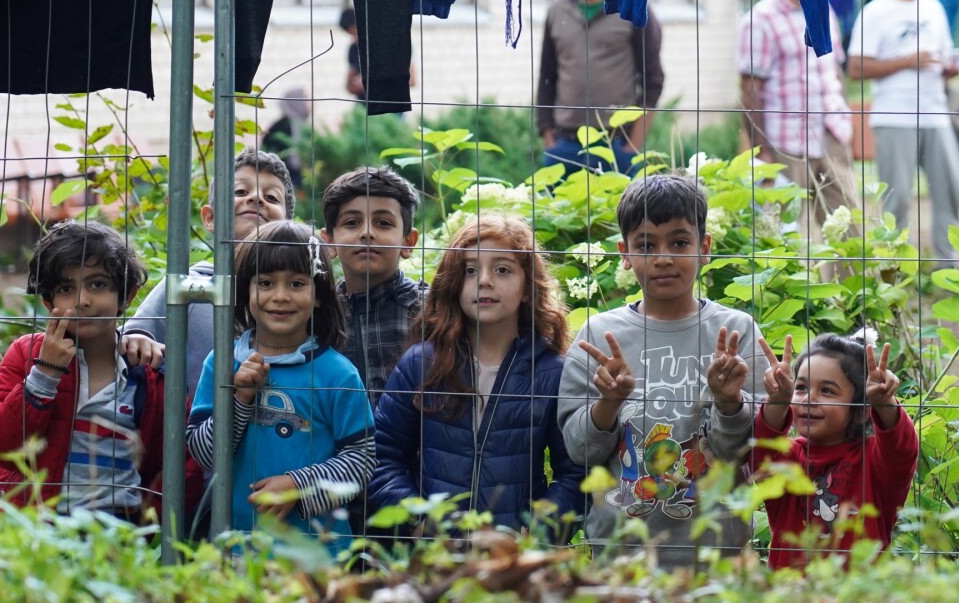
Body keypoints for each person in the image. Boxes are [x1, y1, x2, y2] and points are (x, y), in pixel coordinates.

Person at [557, 173, 765, 566]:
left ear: (705, 248)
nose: (664, 257)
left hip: (718, 551)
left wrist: (728, 402)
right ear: (624, 252)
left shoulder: (736, 333)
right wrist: (609, 403)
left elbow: (749, 450)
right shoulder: (598, 335)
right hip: (622, 552)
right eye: (647, 245)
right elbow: (580, 451)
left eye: (680, 242)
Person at [369, 214, 584, 537]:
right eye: (470, 270)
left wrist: (536, 532)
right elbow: (382, 455)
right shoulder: (422, 364)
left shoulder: (553, 372)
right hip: (433, 559)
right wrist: (420, 522)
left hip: (515, 563)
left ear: (527, 287)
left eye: (502, 269)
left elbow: (575, 473)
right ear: (454, 284)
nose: (484, 281)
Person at [0, 221, 188, 518]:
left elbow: (178, 464)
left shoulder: (148, 374)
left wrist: (148, 524)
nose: (82, 301)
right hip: (34, 531)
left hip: (115, 537)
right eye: (66, 288)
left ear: (126, 296)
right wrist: (44, 374)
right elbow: (0, 446)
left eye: (98, 284)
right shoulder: (26, 355)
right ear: (49, 301)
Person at [185, 221, 375, 546]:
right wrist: (240, 398)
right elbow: (204, 454)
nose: (281, 296)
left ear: (318, 296)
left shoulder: (337, 374)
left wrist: (298, 486)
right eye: (266, 282)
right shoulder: (221, 362)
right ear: (246, 290)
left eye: (297, 283)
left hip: (318, 557)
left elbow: (362, 460)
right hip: (236, 550)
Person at [125, 147, 294, 397]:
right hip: (197, 431)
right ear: (210, 218)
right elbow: (135, 333)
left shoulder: (297, 293)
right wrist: (138, 338)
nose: (256, 198)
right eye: (240, 192)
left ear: (289, 225)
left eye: (271, 198)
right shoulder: (189, 286)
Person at [751, 331, 918, 570]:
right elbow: (762, 454)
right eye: (800, 387)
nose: (809, 399)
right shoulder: (789, 458)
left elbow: (902, 449)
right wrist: (778, 400)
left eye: (827, 391)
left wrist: (884, 402)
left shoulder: (874, 462)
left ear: (862, 410)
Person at [320, 166, 428, 536]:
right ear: (329, 243)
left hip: (414, 495)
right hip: (331, 494)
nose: (367, 232)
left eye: (383, 223)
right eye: (351, 222)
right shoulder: (316, 314)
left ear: (408, 241)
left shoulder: (432, 313)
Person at [847, 0, 959, 266]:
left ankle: (946, 266)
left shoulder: (934, 9)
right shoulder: (875, 12)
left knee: (952, 188)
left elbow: (940, 60)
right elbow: (855, 67)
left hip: (935, 113)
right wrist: (906, 60)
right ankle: (895, 270)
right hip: (893, 116)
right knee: (895, 199)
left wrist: (949, 70)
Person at [739, 0, 860, 234]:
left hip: (831, 134)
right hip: (785, 143)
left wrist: (845, 120)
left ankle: (848, 278)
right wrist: (762, 152)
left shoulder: (823, 11)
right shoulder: (760, 19)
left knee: (849, 230)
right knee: (781, 231)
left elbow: (835, 71)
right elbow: (749, 90)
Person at [536, 0, 664, 176]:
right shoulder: (556, 11)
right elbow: (547, 77)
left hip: (615, 143)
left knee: (616, 214)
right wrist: (548, 136)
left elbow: (653, 81)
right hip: (564, 144)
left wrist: (632, 145)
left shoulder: (631, 9)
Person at [260, 87, 309, 189]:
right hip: (282, 181)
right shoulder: (283, 127)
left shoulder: (300, 125)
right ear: (296, 101)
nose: (310, 103)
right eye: (305, 98)